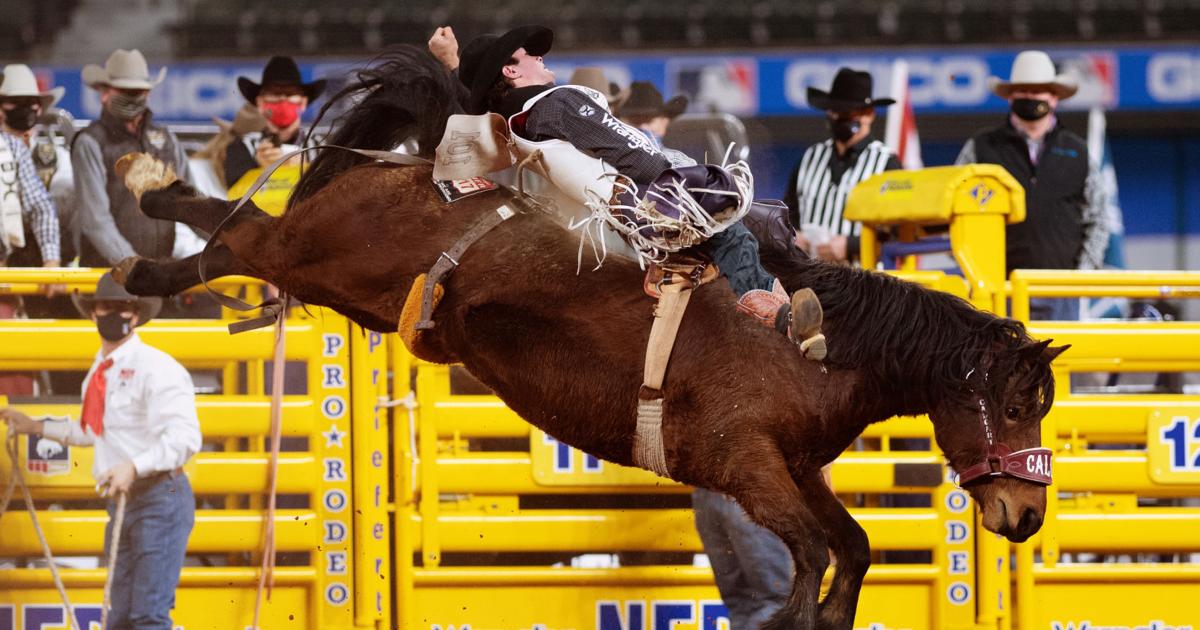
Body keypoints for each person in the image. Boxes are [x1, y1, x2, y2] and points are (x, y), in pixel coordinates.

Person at [455, 25, 826, 359]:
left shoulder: (516, 124)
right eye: (529, 55)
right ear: (511, 70)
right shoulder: (556, 103)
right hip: (646, 205)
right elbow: (625, 148)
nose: (540, 57)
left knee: (752, 225)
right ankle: (779, 316)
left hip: (607, 223)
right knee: (742, 228)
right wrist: (680, 182)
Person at [1, 271, 200, 630]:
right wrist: (35, 426)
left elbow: (184, 438)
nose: (111, 314)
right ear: (93, 314)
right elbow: (91, 430)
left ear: (135, 314)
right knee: (121, 616)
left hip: (160, 496)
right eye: (105, 307)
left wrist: (133, 467)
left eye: (121, 308)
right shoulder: (99, 370)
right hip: (128, 500)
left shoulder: (156, 368)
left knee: (147, 615)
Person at [956, 50, 1108, 321]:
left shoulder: (1078, 151)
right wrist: (974, 270)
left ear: (1054, 97)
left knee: (1061, 362)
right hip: (998, 289)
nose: (1031, 97)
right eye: (1023, 90)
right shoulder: (981, 147)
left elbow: (1098, 218)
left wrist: (1079, 276)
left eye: (1039, 90)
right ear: (1011, 96)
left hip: (1059, 290)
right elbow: (953, 210)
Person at [73, 49, 192, 269]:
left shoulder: (166, 140)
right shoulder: (91, 142)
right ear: (104, 93)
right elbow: (95, 220)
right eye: (124, 90)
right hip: (109, 273)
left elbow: (193, 203)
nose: (131, 97)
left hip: (159, 270)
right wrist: (132, 264)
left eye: (136, 91)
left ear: (147, 93)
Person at [784, 67, 901, 265]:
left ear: (868, 114)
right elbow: (786, 216)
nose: (837, 118)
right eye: (834, 110)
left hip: (862, 283)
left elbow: (898, 232)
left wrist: (851, 245)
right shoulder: (810, 158)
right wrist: (794, 237)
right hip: (809, 276)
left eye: (846, 113)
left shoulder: (886, 164)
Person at [0, 64, 64, 278]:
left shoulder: (53, 156)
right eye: (16, 103)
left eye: (30, 103)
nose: (24, 108)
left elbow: (41, 207)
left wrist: (51, 260)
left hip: (19, 257)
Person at [223, 56, 326, 188]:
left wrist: (304, 168)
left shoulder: (320, 146)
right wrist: (257, 166)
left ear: (303, 102)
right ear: (260, 103)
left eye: (290, 93)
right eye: (275, 93)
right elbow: (233, 187)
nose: (283, 99)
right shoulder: (243, 146)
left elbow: (334, 187)